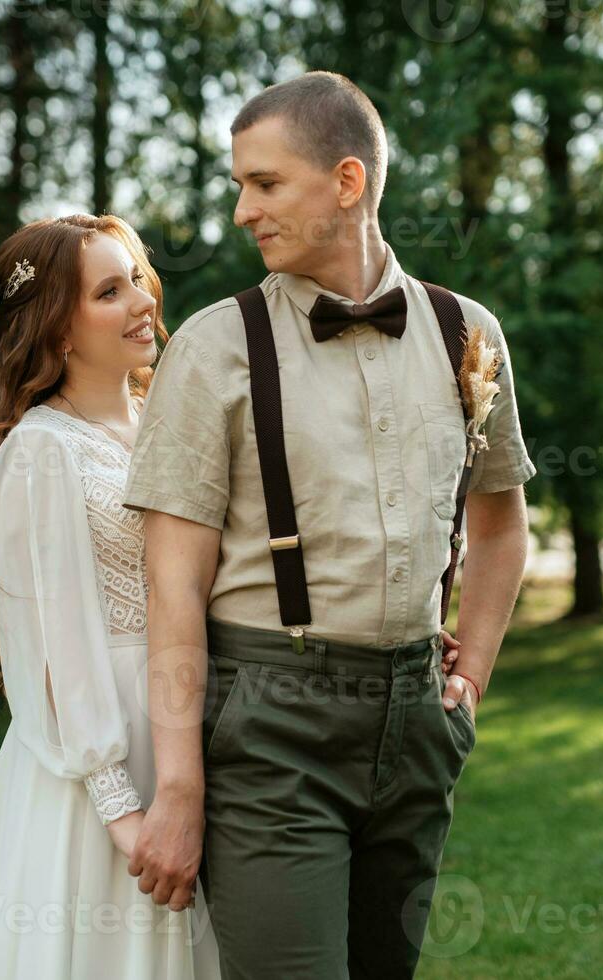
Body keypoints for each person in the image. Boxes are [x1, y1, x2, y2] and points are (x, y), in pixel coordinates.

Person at [121, 72, 535, 979]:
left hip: (417, 720)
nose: (242, 211)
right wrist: (182, 789)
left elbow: (502, 525)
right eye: (240, 184)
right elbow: (172, 586)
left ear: (347, 182)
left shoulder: (469, 334)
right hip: (272, 728)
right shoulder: (213, 346)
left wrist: (468, 685)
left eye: (264, 184)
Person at [0, 214, 222, 978]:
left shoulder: (171, 422)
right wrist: (124, 815)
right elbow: (54, 649)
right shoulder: (40, 451)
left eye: (137, 280)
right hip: (107, 759)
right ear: (57, 329)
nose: (142, 302)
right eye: (109, 291)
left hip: (207, 719)